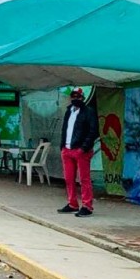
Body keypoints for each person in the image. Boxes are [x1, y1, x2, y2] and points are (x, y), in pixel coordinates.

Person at [58, 87, 99, 217]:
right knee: (69, 178)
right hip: (67, 149)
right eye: (73, 96)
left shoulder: (89, 112)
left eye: (78, 97)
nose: (75, 99)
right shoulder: (68, 111)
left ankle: (87, 205)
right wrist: (62, 146)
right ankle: (72, 203)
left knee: (84, 179)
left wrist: (83, 148)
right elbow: (65, 129)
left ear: (83, 98)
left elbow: (93, 131)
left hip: (81, 150)